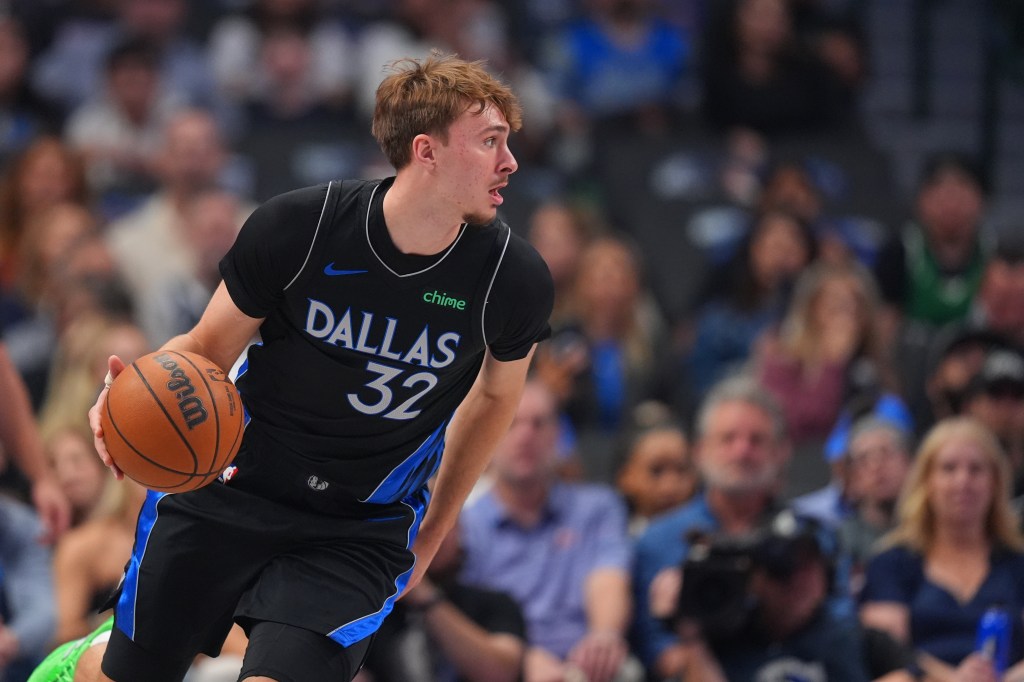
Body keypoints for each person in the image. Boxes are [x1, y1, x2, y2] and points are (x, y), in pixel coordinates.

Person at [33, 52, 553, 682]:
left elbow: (494, 399)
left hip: (358, 526)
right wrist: (121, 399)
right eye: (490, 141)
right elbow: (205, 347)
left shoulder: (511, 278)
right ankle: (84, 663)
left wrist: (435, 529)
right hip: (231, 483)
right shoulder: (304, 227)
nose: (510, 162)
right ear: (427, 151)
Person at [459, 379, 642, 682]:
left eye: (538, 423)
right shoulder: (467, 525)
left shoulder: (598, 509)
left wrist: (603, 637)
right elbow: (467, 614)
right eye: (511, 423)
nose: (526, 435)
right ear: (488, 436)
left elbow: (609, 579)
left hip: (588, 665)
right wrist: (521, 659)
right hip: (504, 664)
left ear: (558, 434)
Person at [631, 375, 793, 679]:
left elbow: (837, 641)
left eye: (756, 440)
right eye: (728, 439)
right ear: (699, 451)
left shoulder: (806, 539)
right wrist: (683, 626)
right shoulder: (657, 541)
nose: (742, 451)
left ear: (780, 451)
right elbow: (659, 655)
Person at [860, 417, 1024, 680]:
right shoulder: (891, 562)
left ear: (995, 481)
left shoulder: (1017, 563)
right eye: (949, 469)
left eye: (976, 469)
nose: (963, 481)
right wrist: (955, 678)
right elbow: (887, 650)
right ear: (926, 481)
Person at [363, 521, 527, 682]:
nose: (427, 533)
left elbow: (501, 674)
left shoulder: (493, 602)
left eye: (443, 524)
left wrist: (424, 595)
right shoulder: (371, 608)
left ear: (460, 531)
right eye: (418, 524)